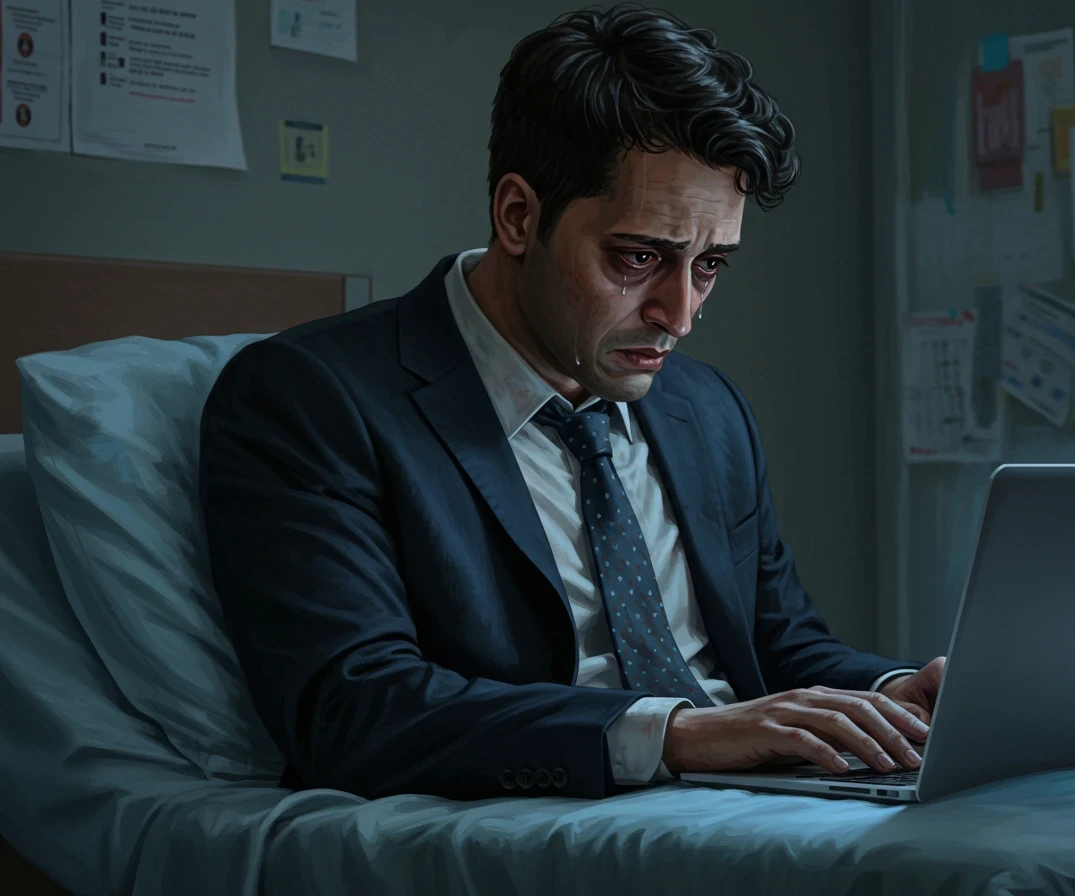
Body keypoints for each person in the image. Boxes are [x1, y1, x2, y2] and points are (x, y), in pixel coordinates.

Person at [199, 2, 945, 803]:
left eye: (711, 265)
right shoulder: (312, 399)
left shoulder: (707, 409)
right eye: (637, 257)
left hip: (759, 805)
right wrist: (678, 735)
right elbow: (353, 709)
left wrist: (896, 696)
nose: (680, 314)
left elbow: (780, 644)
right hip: (569, 808)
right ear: (519, 216)